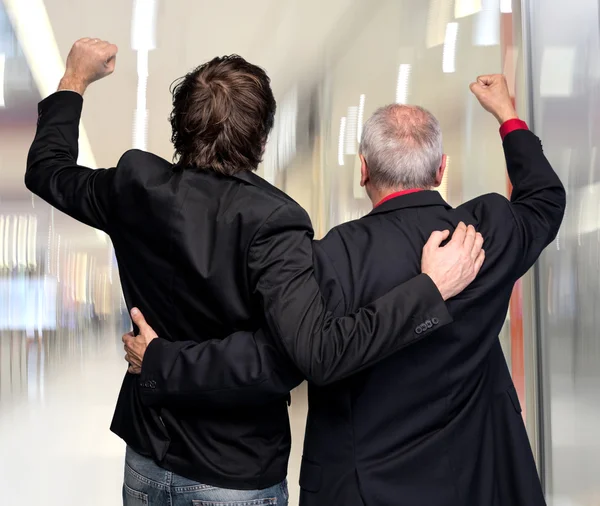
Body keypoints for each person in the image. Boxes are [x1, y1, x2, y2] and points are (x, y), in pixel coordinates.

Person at [25, 38, 484, 505]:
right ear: (262, 140)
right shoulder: (276, 220)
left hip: (146, 456)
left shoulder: (134, 185)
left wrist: (75, 79)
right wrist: (430, 290)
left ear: (179, 125)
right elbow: (301, 356)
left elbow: (46, 170)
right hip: (232, 472)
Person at [128, 76, 566, 505]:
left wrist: (163, 360)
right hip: (472, 478)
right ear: (441, 168)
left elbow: (271, 356)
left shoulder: (327, 258)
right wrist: (507, 116)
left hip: (360, 487)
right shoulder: (483, 233)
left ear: (363, 170)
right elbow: (545, 198)